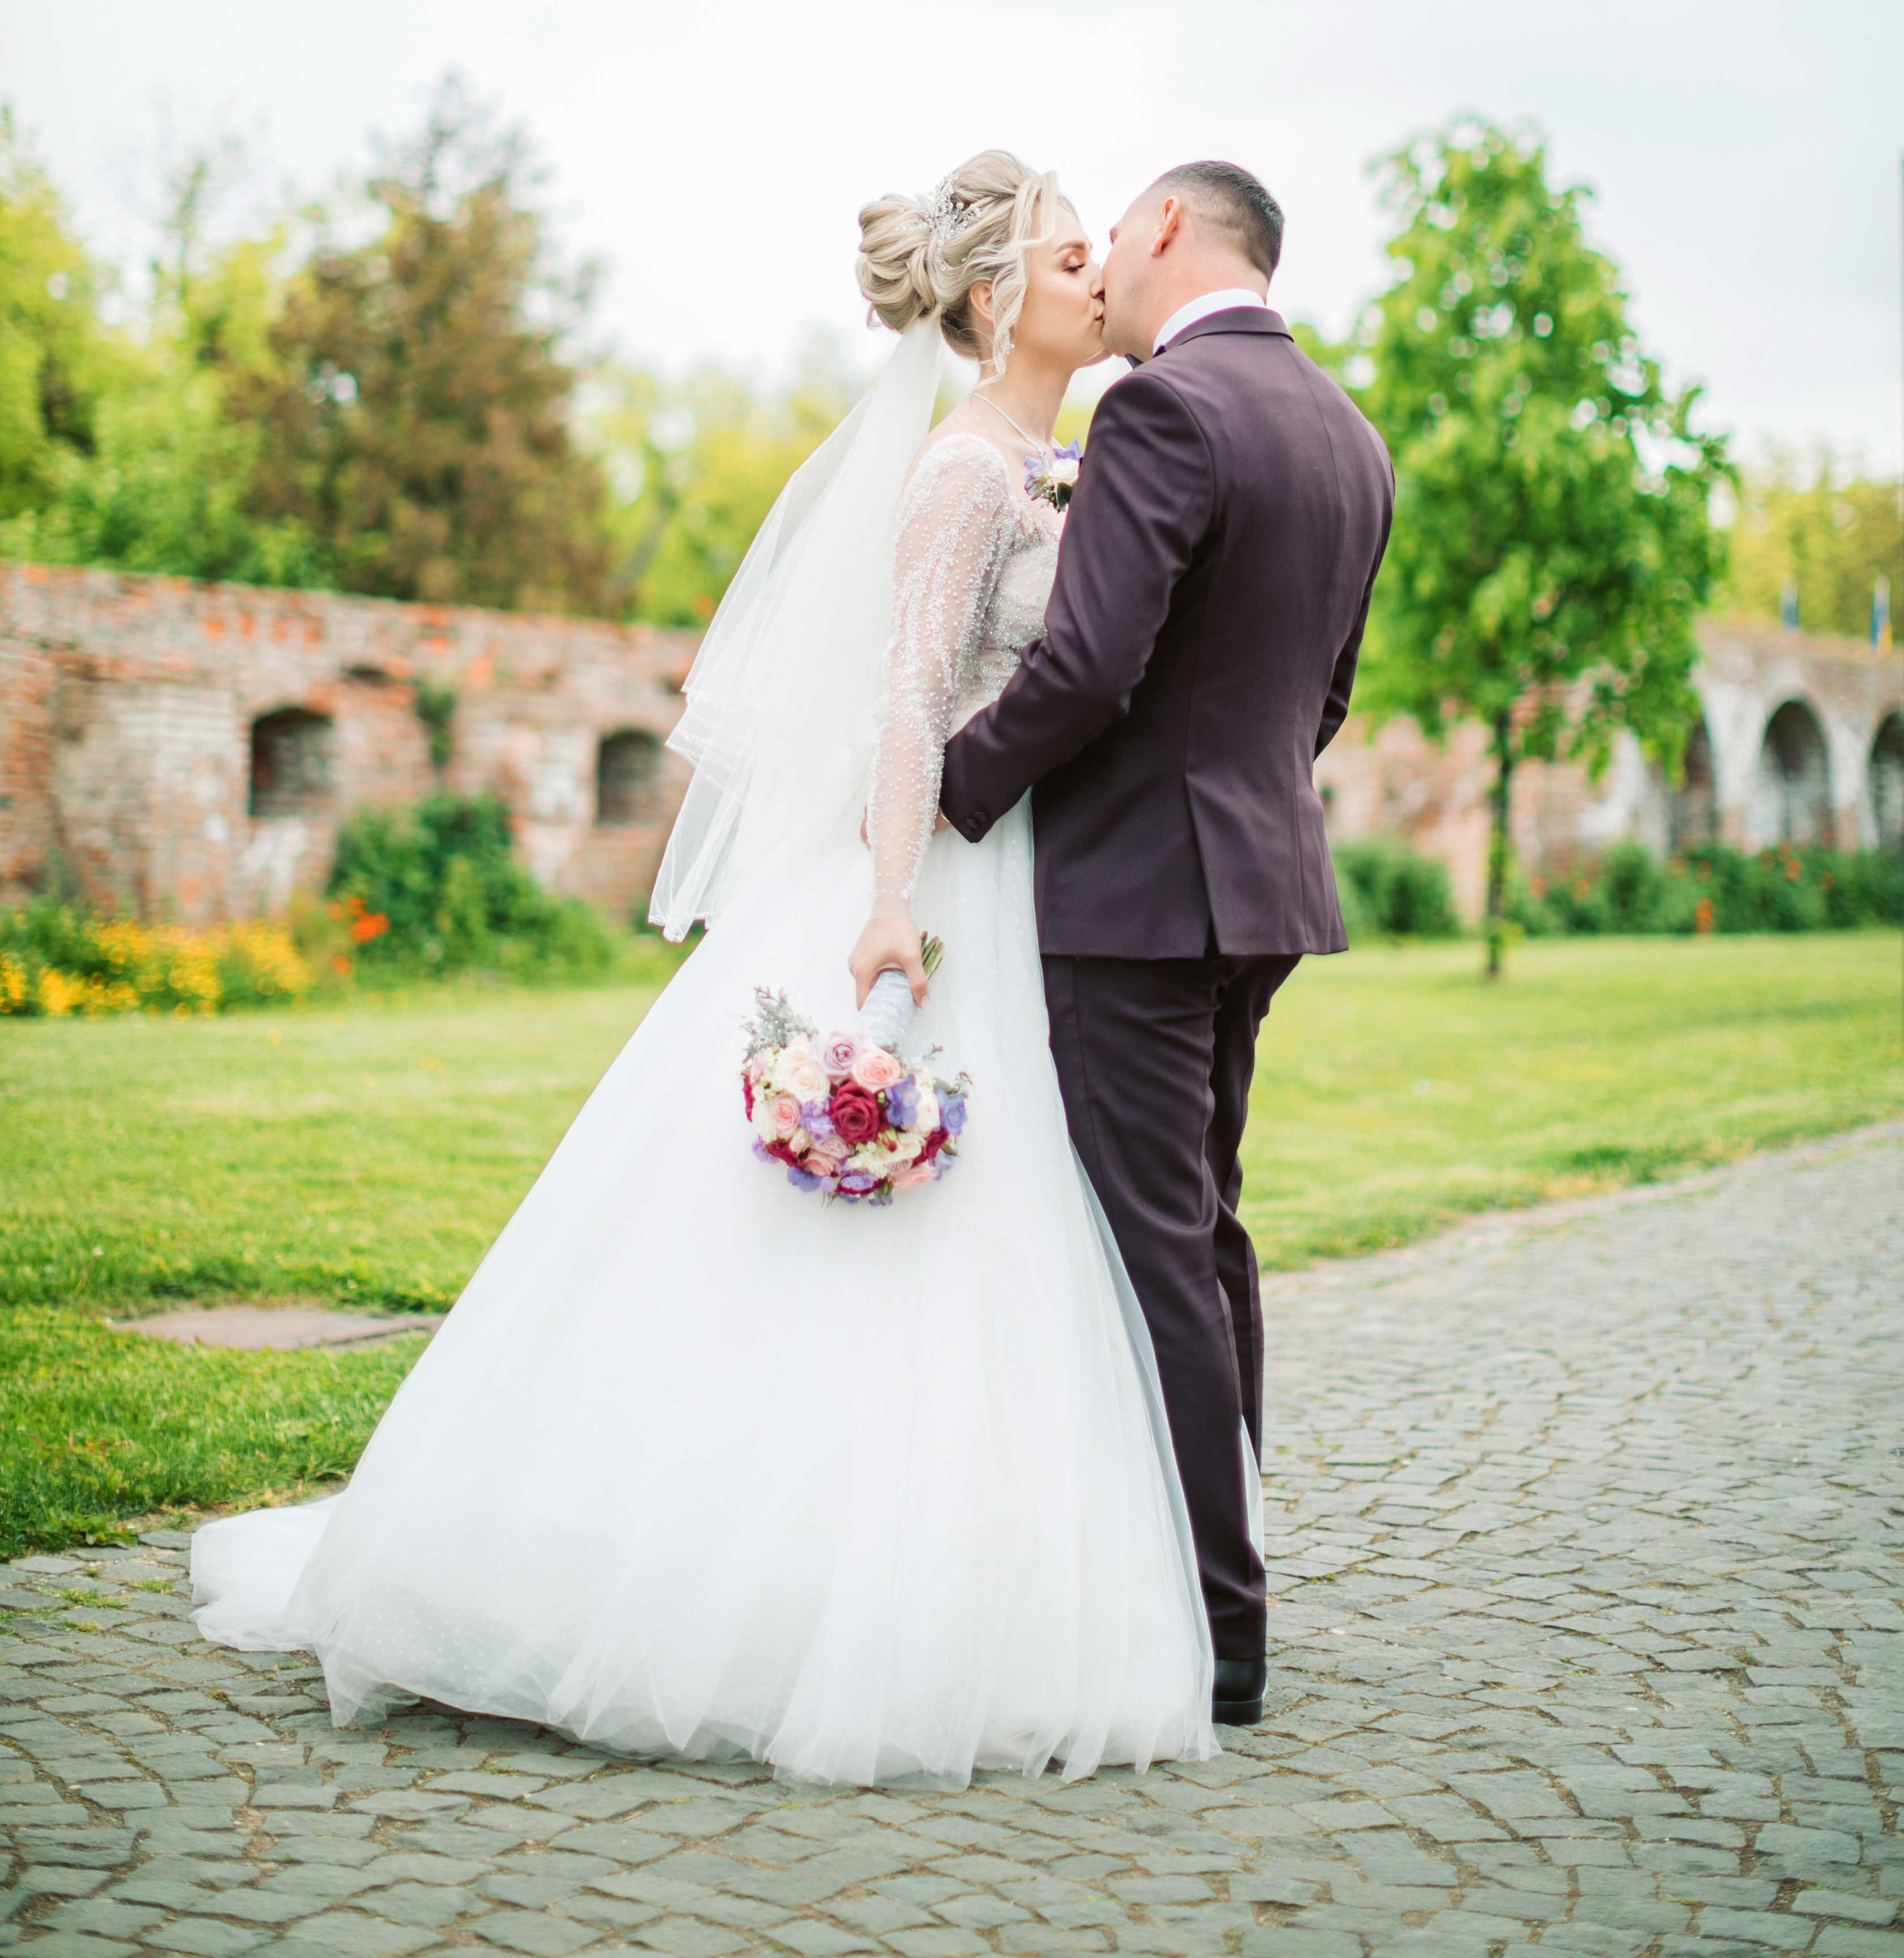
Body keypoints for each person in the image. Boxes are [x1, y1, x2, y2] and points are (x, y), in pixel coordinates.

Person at [190, 149, 1215, 1788]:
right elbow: (904, 697)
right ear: (988, 297)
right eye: (1073, 256)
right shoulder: (964, 472)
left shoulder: (1048, 459)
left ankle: (954, 1570)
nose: (1102, 279)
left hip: (1009, 881)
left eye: (1103, 254)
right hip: (927, 870)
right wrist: (890, 902)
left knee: (994, 1235)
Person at [926, 162, 1395, 1727]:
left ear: (1173, 232)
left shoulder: (1159, 411)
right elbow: (1321, 698)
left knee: (1151, 1254)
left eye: (1115, 231)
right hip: (1257, 891)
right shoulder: (1349, 433)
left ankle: (1210, 1627)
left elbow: (1082, 669)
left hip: (1133, 902)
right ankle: (1224, 1590)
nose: (1102, 260)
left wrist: (950, 792)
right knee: (1206, 1238)